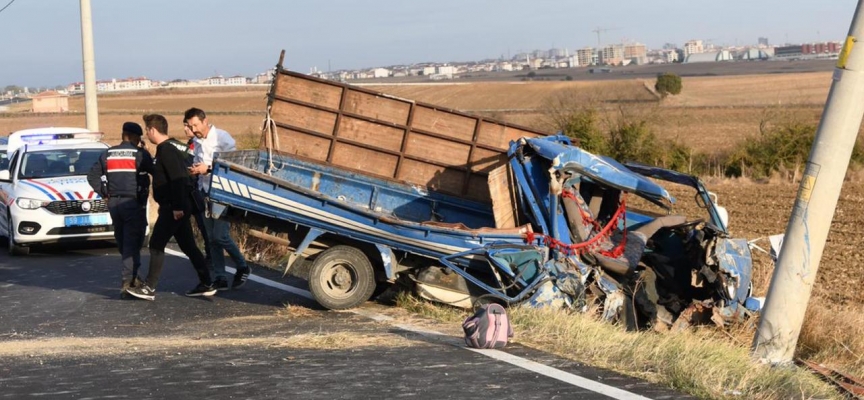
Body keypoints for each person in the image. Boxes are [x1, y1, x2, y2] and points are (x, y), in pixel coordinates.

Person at [126, 114, 216, 300]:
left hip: (174, 207)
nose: (146, 134)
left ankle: (149, 287)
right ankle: (206, 282)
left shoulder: (166, 150)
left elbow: (177, 180)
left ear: (152, 130)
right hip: (179, 205)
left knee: (156, 243)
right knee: (188, 245)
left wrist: (176, 207)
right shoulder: (172, 147)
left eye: (147, 130)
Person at [185, 107, 251, 291]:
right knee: (211, 239)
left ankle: (243, 266)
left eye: (196, 125)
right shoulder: (196, 142)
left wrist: (207, 168)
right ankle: (220, 277)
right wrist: (196, 171)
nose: (194, 129)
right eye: (190, 126)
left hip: (223, 193)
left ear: (205, 121)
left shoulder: (222, 137)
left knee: (219, 235)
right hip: (205, 191)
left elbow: (234, 165)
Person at [86, 122, 152, 298]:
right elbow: (154, 170)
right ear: (135, 137)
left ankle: (133, 276)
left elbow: (91, 176)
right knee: (132, 242)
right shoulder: (139, 154)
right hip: (132, 204)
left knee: (123, 241)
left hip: (114, 204)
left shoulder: (107, 154)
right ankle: (127, 283)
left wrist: (104, 193)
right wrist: (146, 152)